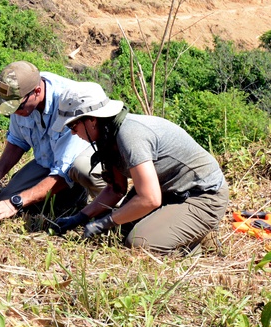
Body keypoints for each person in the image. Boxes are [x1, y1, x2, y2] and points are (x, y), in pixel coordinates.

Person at [49, 82, 229, 255]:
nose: (73, 132)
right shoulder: (108, 135)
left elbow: (150, 199)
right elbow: (115, 190)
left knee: (139, 243)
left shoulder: (130, 135)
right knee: (118, 233)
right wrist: (81, 217)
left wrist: (106, 222)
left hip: (203, 195)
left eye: (73, 125)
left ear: (92, 120)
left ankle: (197, 240)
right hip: (167, 191)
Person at [0, 61, 106, 224]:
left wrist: (14, 204)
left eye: (17, 107)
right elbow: (17, 141)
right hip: (48, 163)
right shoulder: (22, 98)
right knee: (3, 201)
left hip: (77, 169)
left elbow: (64, 171)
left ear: (37, 92)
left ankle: (83, 197)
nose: (15, 112)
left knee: (77, 172)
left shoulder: (69, 103)